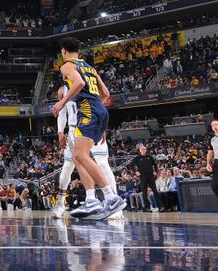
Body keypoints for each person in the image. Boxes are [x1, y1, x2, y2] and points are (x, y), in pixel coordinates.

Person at [52, 37, 126, 220]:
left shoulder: (67, 66)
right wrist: (97, 113)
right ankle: (92, 201)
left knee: (81, 156)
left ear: (64, 51)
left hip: (88, 112)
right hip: (99, 110)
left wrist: (61, 103)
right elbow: (106, 93)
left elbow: (79, 83)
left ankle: (110, 197)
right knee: (78, 156)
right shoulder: (90, 67)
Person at [52, 85, 77, 219]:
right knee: (67, 167)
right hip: (73, 129)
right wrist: (60, 131)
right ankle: (61, 203)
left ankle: (110, 201)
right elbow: (61, 113)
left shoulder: (87, 81)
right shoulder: (62, 90)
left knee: (101, 164)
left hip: (90, 127)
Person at [132, 145, 160, 212]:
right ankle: (147, 207)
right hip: (143, 176)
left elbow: (155, 164)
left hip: (150, 176)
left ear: (146, 150)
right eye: (142, 149)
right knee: (144, 192)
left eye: (144, 149)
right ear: (140, 150)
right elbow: (131, 165)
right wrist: (135, 171)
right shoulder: (137, 158)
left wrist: (155, 171)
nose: (143, 150)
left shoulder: (149, 157)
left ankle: (160, 206)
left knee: (155, 191)